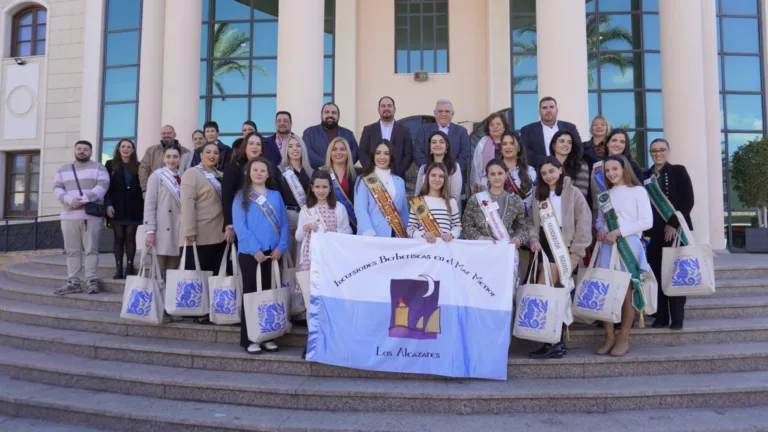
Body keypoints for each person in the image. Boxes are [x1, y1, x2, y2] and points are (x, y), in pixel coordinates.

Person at [527, 157, 592, 359]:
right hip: (544, 247)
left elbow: (584, 223)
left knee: (549, 292)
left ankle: (554, 342)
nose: (548, 176)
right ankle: (554, 342)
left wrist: (575, 255)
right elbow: (531, 223)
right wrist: (533, 239)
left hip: (563, 248)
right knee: (550, 293)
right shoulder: (540, 195)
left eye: (551, 171)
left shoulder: (574, 194)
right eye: (544, 173)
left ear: (560, 169)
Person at [594, 155, 653, 357]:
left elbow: (647, 222)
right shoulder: (604, 195)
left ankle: (623, 337)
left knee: (627, 293)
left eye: (614, 169)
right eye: (607, 170)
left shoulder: (638, 191)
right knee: (607, 292)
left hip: (628, 245)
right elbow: (599, 221)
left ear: (623, 168)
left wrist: (618, 232)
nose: (611, 173)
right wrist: (601, 230)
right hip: (608, 247)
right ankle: (609, 336)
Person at [232, 157, 289, 354]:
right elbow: (241, 227)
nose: (258, 173)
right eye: (255, 169)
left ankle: (268, 335)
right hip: (251, 253)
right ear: (248, 172)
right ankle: (250, 338)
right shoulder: (241, 196)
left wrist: (281, 247)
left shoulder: (276, 196)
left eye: (262, 170)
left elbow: (284, 224)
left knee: (270, 294)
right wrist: (254, 249)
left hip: (273, 254)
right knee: (252, 295)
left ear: (268, 174)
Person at [644, 138, 694, 330]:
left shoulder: (678, 171)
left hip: (677, 231)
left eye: (661, 150)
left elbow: (688, 201)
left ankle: (677, 318)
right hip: (654, 234)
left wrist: (673, 224)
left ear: (668, 151)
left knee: (675, 274)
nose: (658, 153)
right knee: (657, 274)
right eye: (654, 151)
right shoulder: (646, 175)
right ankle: (661, 317)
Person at [52, 140, 110, 295]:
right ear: (75, 151)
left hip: (90, 216)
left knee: (91, 250)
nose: (82, 151)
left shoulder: (98, 167)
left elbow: (103, 185)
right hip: (69, 216)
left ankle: (91, 280)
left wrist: (83, 199)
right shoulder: (63, 170)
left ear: (90, 152)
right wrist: (70, 200)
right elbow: (57, 188)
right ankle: (73, 282)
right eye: (79, 149)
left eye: (85, 149)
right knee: (72, 251)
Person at [180, 141, 226, 274]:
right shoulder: (192, 173)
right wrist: (190, 230)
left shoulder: (221, 175)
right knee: (196, 279)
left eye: (216, 153)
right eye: (208, 152)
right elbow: (188, 203)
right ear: (201, 155)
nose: (212, 155)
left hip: (219, 235)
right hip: (199, 234)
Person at [461, 159, 528, 246]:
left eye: (500, 173)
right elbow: (466, 226)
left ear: (506, 175)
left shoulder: (515, 200)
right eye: (492, 174)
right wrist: (480, 238)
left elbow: (522, 227)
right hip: (481, 250)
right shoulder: (475, 199)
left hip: (506, 250)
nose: (497, 177)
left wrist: (518, 238)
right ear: (487, 177)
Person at [295, 170, 353, 271]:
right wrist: (305, 228)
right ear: (312, 188)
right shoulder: (305, 209)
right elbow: (298, 237)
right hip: (311, 257)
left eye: (324, 187)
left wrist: (336, 231)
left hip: (333, 255)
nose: (321, 191)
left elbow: (349, 232)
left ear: (330, 188)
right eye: (317, 187)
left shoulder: (339, 208)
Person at [223, 132, 271, 246]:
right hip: (240, 222)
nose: (254, 147)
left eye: (258, 144)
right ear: (245, 147)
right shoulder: (233, 167)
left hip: (263, 220)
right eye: (251, 143)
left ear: (262, 149)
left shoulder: (267, 167)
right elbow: (226, 196)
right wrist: (229, 224)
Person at [143, 144, 183, 279]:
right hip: (161, 230)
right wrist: (149, 230)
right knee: (157, 273)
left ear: (180, 159)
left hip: (178, 230)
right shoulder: (156, 176)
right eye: (168, 156)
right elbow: (149, 204)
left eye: (175, 156)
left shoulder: (184, 177)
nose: (172, 159)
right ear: (164, 159)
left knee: (173, 274)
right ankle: (155, 300)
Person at [354, 140, 409, 238]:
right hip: (374, 236)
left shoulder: (400, 181)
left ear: (391, 157)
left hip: (397, 236)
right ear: (373, 156)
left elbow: (404, 212)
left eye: (386, 153)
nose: (382, 157)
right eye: (378, 153)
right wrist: (369, 232)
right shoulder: (364, 179)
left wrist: (408, 233)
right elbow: (361, 210)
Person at [105, 139, 144, 279]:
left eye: (129, 147)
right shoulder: (110, 165)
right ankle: (118, 268)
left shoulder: (139, 166)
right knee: (118, 237)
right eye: (123, 146)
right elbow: (106, 187)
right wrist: (108, 204)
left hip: (134, 206)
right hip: (116, 206)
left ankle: (129, 267)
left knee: (130, 237)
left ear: (133, 150)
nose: (126, 149)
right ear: (118, 149)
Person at [277, 134, 313, 263]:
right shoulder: (278, 171)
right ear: (285, 150)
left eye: (298, 146)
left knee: (303, 256)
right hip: (287, 216)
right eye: (290, 146)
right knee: (288, 257)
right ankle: (288, 283)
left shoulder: (310, 172)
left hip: (306, 216)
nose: (295, 149)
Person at [591, 128, 644, 214]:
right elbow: (592, 195)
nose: (617, 144)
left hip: (627, 215)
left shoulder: (633, 166)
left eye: (622, 142)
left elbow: (641, 195)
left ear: (625, 146)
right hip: (600, 217)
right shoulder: (597, 167)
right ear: (607, 143)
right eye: (614, 140)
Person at [520, 96, 583, 167]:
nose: (548, 110)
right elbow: (525, 153)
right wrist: (549, 162)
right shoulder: (527, 130)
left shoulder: (570, 127)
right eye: (544, 108)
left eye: (551, 107)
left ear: (557, 110)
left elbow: (579, 148)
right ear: (539, 112)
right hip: (538, 172)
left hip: (568, 170)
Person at [358, 96, 414, 177]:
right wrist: (371, 170)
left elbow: (408, 154)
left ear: (394, 109)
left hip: (396, 176)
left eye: (389, 106)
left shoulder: (404, 131)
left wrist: (397, 171)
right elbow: (362, 152)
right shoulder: (368, 130)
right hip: (373, 177)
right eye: (383, 106)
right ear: (378, 109)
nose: (386, 108)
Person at [408, 162, 461, 242]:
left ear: (445, 179)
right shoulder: (418, 202)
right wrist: (423, 235)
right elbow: (410, 229)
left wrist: (451, 235)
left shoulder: (451, 201)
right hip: (424, 250)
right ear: (427, 178)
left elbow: (457, 226)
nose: (437, 179)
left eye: (441, 176)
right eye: (433, 175)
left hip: (444, 249)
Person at [414, 99, 471, 172]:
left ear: (452, 113)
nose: (444, 114)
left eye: (447, 111)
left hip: (453, 175)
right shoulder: (424, 130)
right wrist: (431, 170)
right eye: (440, 111)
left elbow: (464, 156)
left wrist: (449, 170)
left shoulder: (461, 131)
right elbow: (418, 153)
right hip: (428, 175)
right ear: (435, 113)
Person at [138, 125, 191, 196]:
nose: (166, 135)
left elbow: (190, 173)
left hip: (179, 193)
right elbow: (143, 169)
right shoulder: (151, 150)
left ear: (175, 135)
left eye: (169, 133)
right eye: (163, 133)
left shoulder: (186, 152)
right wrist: (145, 189)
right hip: (156, 191)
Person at [304, 102, 359, 169]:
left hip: (343, 174)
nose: (330, 115)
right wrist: (329, 165)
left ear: (338, 116)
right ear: (321, 115)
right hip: (317, 174)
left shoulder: (348, 134)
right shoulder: (309, 132)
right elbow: (307, 153)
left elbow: (355, 153)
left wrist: (340, 165)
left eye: (334, 113)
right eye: (327, 112)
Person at [414, 131, 462, 207]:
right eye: (434, 142)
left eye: (441, 142)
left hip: (447, 211)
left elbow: (455, 196)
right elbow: (418, 194)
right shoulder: (423, 168)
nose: (437, 144)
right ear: (430, 147)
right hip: (426, 214)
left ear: (446, 147)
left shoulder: (454, 167)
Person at [322, 137, 359, 233]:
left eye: (342, 149)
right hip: (330, 223)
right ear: (330, 153)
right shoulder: (321, 173)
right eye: (334, 149)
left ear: (348, 153)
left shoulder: (359, 173)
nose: (338, 152)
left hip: (354, 224)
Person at [498, 131, 536, 216]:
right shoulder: (492, 170)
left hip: (524, 222)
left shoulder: (530, 171)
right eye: (504, 144)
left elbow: (534, 200)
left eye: (512, 143)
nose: (508, 147)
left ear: (519, 147)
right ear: (501, 149)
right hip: (497, 222)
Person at [470, 112, 509, 193]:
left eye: (498, 124)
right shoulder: (483, 143)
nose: (495, 127)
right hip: (487, 186)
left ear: (504, 126)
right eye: (491, 125)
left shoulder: (510, 141)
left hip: (509, 184)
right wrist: (477, 187)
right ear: (488, 128)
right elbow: (476, 167)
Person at [550, 130, 590, 200]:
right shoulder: (546, 164)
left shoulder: (581, 166)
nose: (566, 144)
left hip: (572, 208)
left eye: (569, 142)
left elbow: (581, 196)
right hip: (548, 208)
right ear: (553, 146)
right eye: (561, 141)